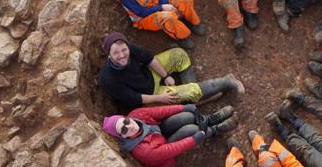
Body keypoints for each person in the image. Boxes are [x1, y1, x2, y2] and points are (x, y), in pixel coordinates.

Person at [99, 32, 245, 109]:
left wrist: (166, 75)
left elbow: (149, 59)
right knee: (192, 91)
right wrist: (160, 99)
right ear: (109, 55)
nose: (122, 55)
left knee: (178, 54)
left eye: (124, 50)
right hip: (149, 96)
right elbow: (134, 99)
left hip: (149, 75)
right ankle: (227, 82)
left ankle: (194, 98)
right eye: (116, 53)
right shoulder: (109, 78)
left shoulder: (129, 48)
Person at [102, 104, 237, 167]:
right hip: (163, 150)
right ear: (123, 137)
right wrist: (196, 138)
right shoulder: (143, 151)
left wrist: (185, 107)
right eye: (123, 130)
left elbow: (161, 111)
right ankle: (214, 130)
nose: (129, 126)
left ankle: (208, 119)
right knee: (192, 129)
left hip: (159, 132)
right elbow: (172, 149)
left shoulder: (136, 115)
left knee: (187, 116)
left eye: (125, 121)